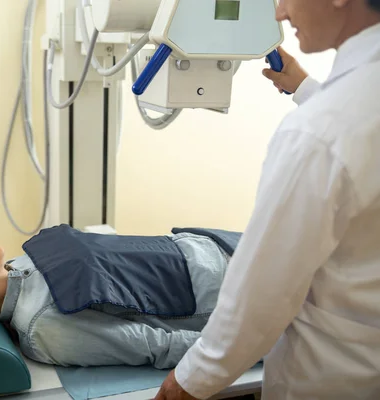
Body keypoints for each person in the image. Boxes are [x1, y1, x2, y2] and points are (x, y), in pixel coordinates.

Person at [154, 0, 380, 399]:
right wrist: (308, 89)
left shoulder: (317, 133)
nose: (278, 13)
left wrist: (186, 383)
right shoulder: (345, 112)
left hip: (332, 379)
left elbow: (258, 301)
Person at [0, 228, 234, 369]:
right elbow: (155, 344)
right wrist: (251, 343)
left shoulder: (22, 264)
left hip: (204, 243)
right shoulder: (44, 325)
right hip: (227, 286)